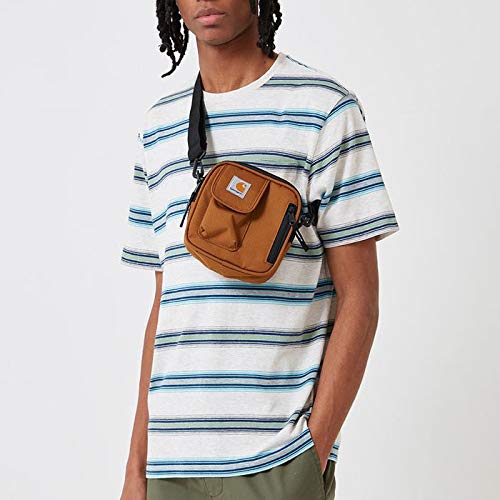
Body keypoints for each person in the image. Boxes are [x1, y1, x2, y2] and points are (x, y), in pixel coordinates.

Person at [120, 1, 399, 499]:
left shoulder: (324, 109)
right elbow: (166, 305)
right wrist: (136, 469)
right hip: (170, 464)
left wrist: (312, 450)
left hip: (277, 459)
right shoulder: (159, 127)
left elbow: (361, 299)